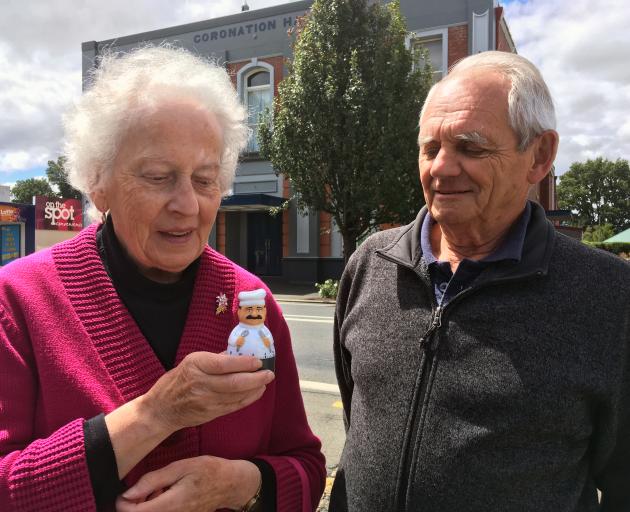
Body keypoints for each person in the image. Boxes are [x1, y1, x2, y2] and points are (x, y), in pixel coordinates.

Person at [0, 46, 325, 512]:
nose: (188, 205)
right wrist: (155, 415)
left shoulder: (252, 303)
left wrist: (242, 485)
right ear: (98, 182)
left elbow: (307, 469)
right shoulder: (17, 300)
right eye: (158, 177)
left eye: (205, 179)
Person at [329, 50, 630, 511]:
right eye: (430, 148)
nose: (441, 169)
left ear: (540, 155)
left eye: (471, 147)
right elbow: (360, 419)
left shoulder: (610, 297)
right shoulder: (371, 263)